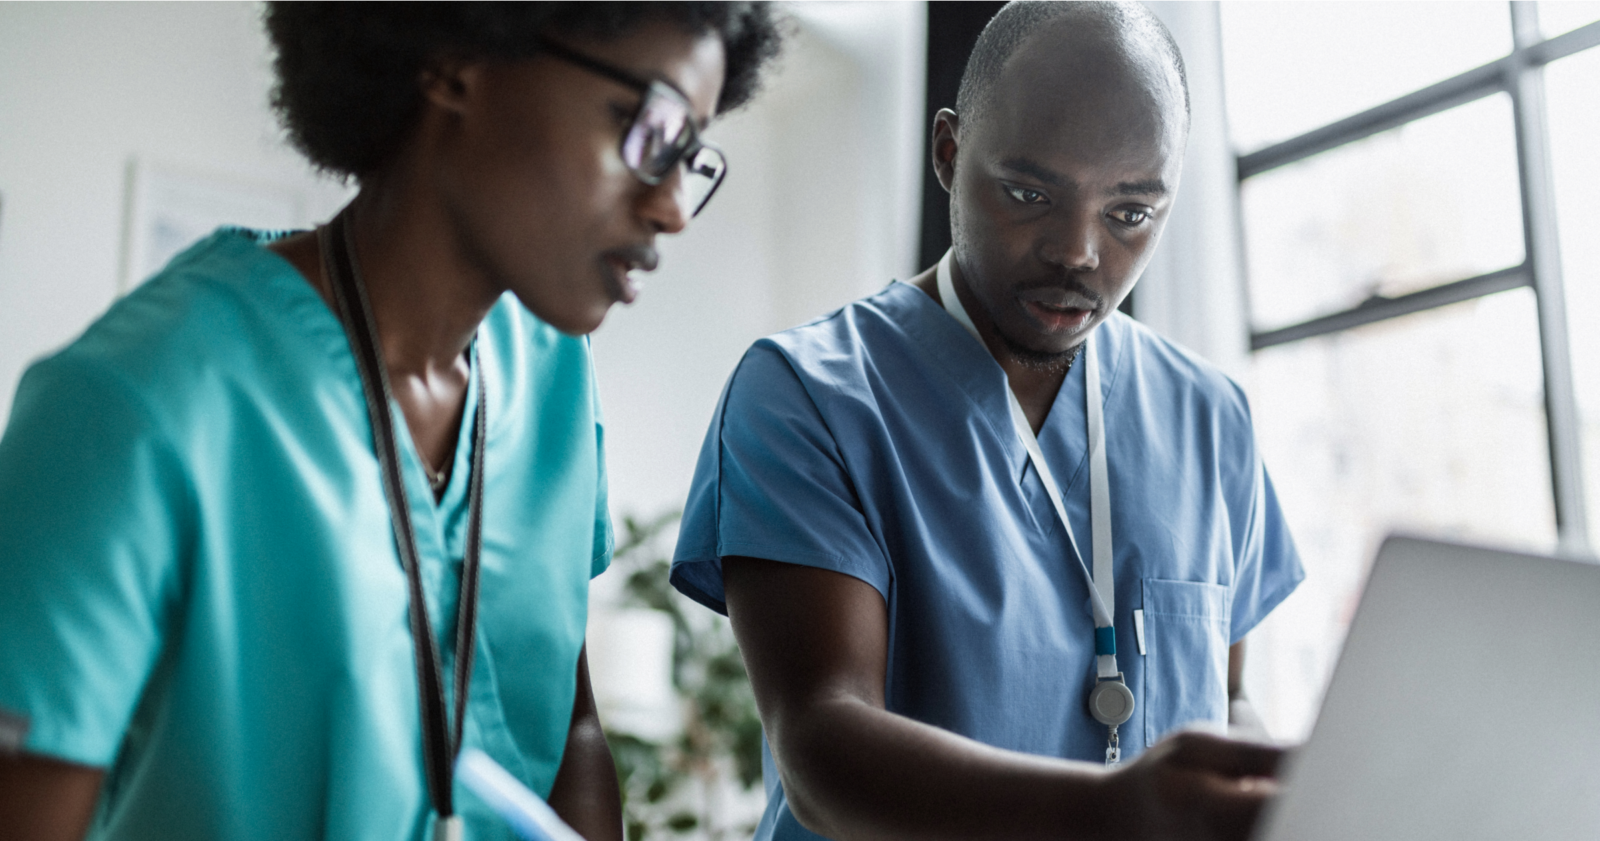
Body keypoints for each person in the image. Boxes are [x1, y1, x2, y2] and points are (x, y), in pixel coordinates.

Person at [0, 1, 780, 839]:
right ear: (455, 56)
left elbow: (567, 728)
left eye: (692, 155)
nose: (674, 208)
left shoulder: (552, 376)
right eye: (649, 127)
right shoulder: (135, 402)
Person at [668, 1, 1304, 839]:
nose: (1078, 250)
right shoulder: (807, 395)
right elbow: (821, 740)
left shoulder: (1211, 416)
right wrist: (1112, 811)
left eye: (1131, 212)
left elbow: (1225, 700)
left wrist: (1277, 790)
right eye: (1031, 192)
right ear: (948, 151)